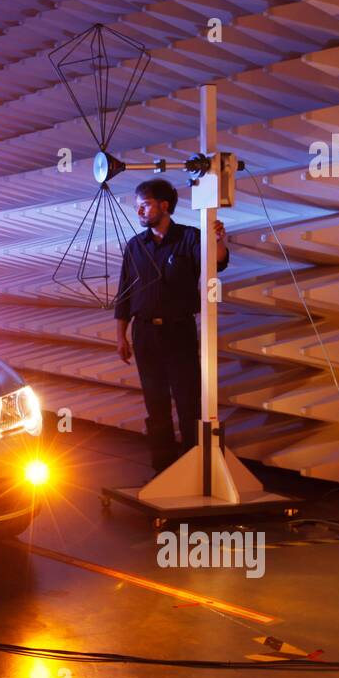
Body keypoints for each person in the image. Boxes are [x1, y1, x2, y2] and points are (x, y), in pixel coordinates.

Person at [113, 178, 229, 473]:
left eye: (146, 204)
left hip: (179, 331)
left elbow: (217, 262)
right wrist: (121, 335)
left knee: (189, 401)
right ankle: (163, 469)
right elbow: (124, 293)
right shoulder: (134, 246)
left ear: (164, 206)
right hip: (145, 333)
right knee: (156, 404)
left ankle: (194, 468)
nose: (140, 211)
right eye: (137, 206)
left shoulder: (190, 238)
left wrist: (218, 240)